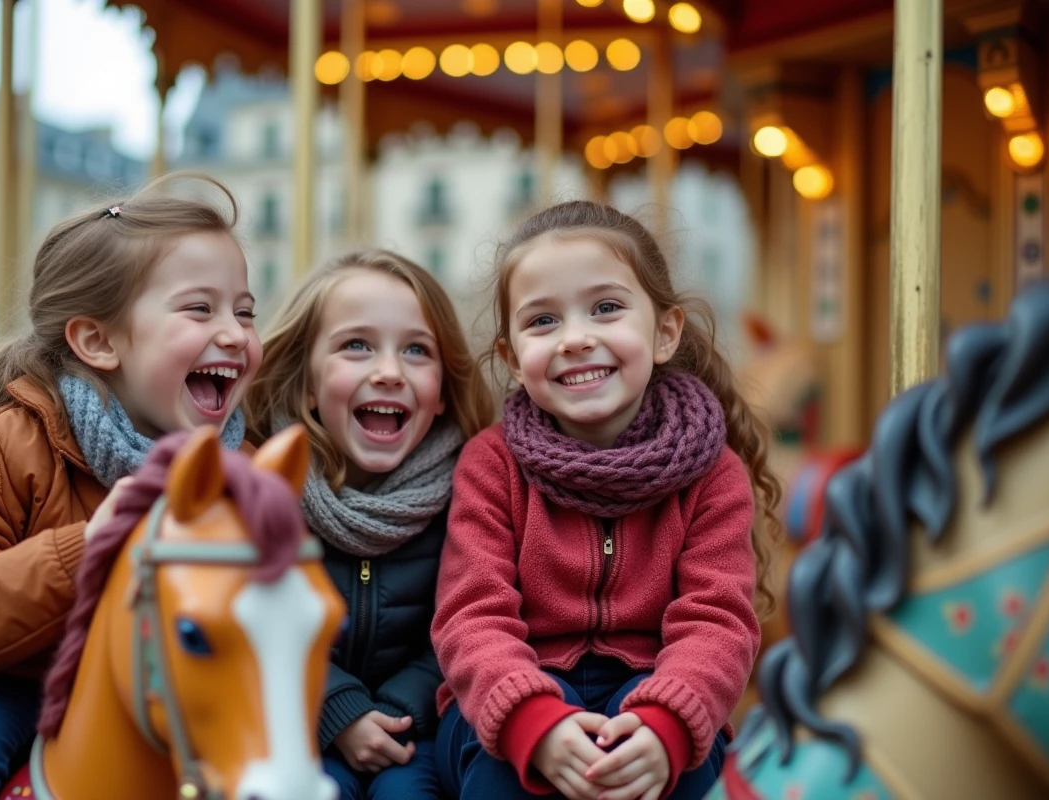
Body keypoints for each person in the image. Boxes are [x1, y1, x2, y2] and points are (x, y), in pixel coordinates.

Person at [0, 172, 263, 800]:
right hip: (4, 679)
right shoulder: (11, 442)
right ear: (98, 340)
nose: (234, 332)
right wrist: (86, 547)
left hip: (166, 686)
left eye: (245, 311)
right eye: (201, 308)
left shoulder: (244, 468)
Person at [432, 201, 782, 800]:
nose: (576, 338)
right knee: (505, 769)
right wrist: (530, 718)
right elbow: (472, 613)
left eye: (606, 308)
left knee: (686, 765)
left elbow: (718, 618)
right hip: (508, 699)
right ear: (514, 358)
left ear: (664, 332)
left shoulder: (712, 474)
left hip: (660, 688)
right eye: (542, 322)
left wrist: (667, 721)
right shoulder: (492, 465)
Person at [247, 250, 494, 800]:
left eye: (416, 350)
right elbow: (253, 624)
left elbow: (467, 620)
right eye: (356, 346)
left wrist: (395, 712)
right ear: (306, 381)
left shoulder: (471, 493)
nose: (388, 371)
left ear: (443, 391)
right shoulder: (262, 488)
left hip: (416, 730)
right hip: (295, 726)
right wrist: (338, 711)